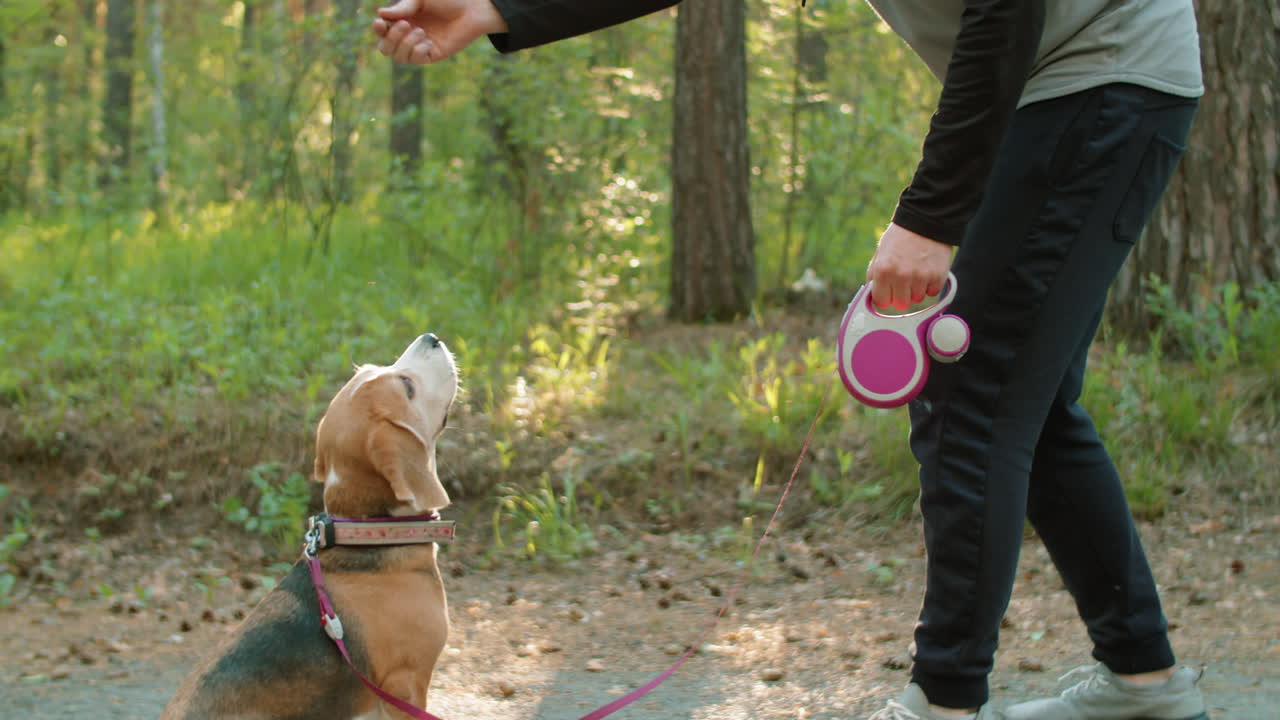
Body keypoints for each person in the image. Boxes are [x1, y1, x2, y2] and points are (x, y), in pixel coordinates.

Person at [373, 2, 1209, 718]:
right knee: (1027, 398)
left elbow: (1004, 9)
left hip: (1099, 78)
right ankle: (1143, 679)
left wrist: (929, 216)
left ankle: (947, 697)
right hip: (1073, 90)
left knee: (972, 396)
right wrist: (497, 9)